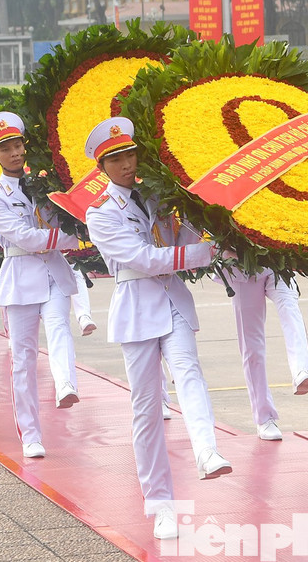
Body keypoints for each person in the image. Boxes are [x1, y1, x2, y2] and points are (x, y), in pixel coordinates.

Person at [82, 116, 229, 541]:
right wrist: (200, 254)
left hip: (173, 300)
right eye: (116, 158)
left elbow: (183, 235)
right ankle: (161, 504)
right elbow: (143, 259)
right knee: (146, 410)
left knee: (189, 372)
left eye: (130, 154)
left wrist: (216, 235)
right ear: (102, 167)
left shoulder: (156, 197)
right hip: (136, 308)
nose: (127, 163)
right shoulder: (102, 213)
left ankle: (207, 452)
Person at [0, 112, 86, 459]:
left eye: (18, 145)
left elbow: (70, 219)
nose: (15, 153)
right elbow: (23, 236)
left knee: (59, 327)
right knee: (22, 360)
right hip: (21, 277)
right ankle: (30, 435)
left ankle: (65, 382)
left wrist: (73, 234)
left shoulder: (45, 185)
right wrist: (67, 238)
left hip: (53, 272)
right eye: (6, 149)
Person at [219, 265, 308, 441]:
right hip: (242, 268)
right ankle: (264, 417)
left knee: (290, 308)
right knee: (252, 346)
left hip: (277, 262)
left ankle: (302, 371)